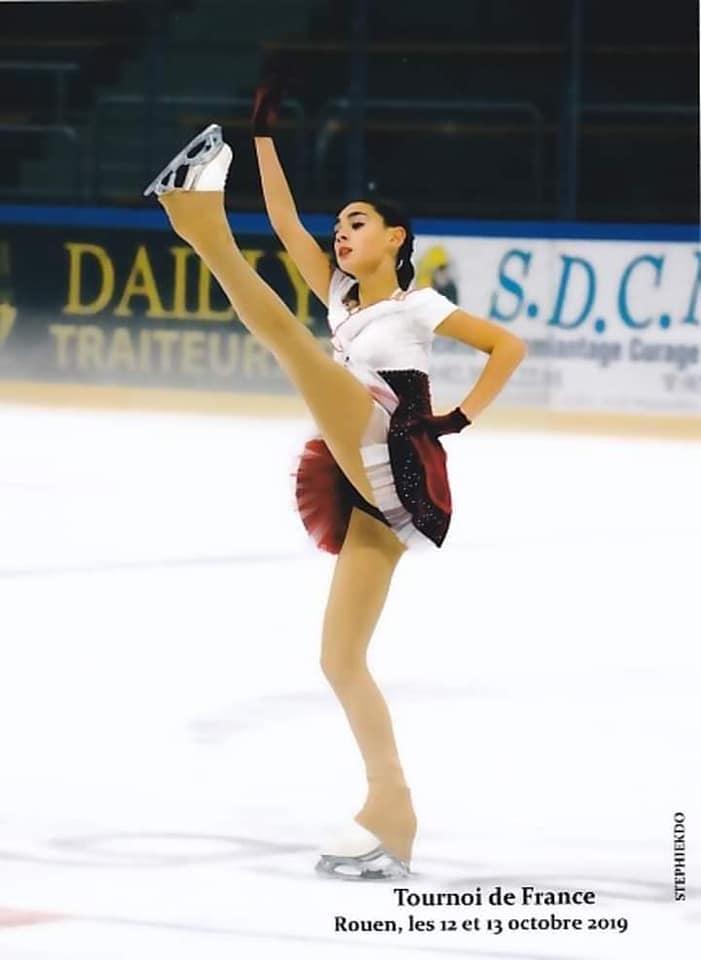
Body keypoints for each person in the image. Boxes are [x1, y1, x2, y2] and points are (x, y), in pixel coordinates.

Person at [144, 87, 527, 879]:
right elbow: (286, 222)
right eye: (339, 226)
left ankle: (200, 221)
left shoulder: (419, 304)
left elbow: (507, 347)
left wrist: (458, 419)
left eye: (357, 222)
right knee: (339, 658)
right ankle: (391, 811)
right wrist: (263, 139)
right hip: (362, 468)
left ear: (396, 237)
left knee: (291, 345)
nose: (340, 233)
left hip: (393, 441)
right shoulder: (341, 296)